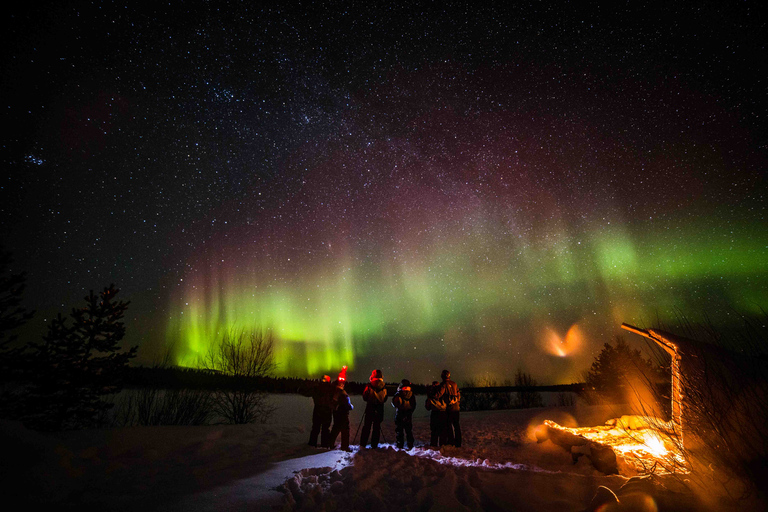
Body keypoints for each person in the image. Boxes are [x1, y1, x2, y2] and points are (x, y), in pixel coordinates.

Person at [360, 368, 387, 448]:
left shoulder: (369, 385)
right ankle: (374, 445)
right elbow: (385, 399)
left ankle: (363, 444)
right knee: (376, 427)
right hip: (379, 409)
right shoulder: (384, 386)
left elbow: (365, 397)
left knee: (367, 427)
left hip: (370, 408)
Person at [328, 367, 353, 451]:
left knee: (335, 428)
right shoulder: (341, 392)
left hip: (336, 413)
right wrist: (351, 407)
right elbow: (347, 405)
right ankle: (345, 447)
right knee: (345, 430)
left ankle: (330, 444)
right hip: (342, 413)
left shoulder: (334, 390)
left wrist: (343, 370)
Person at [438, 369, 461, 447]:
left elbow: (439, 394)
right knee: (456, 425)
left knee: (449, 425)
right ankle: (458, 442)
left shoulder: (443, 384)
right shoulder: (454, 384)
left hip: (449, 408)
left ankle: (451, 441)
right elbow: (458, 394)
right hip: (456, 407)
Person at [308, 374, 333, 447]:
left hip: (318, 409)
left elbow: (309, 393)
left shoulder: (317, 387)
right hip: (326, 411)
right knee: (325, 429)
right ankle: (324, 445)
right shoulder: (330, 388)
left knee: (316, 427)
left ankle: (312, 444)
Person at [392, 379, 416, 449]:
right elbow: (413, 405)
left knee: (399, 430)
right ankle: (410, 444)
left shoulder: (398, 393)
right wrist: (410, 412)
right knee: (408, 430)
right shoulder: (411, 394)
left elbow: (394, 403)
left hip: (399, 414)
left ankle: (400, 444)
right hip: (408, 414)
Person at [425, 380, 447, 447]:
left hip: (435, 413)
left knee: (434, 430)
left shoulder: (431, 393)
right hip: (443, 412)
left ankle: (433, 444)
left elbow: (427, 407)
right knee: (442, 430)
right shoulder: (443, 392)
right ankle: (442, 444)